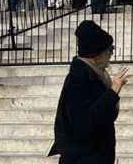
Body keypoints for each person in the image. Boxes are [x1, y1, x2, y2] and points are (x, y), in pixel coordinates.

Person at [49, 21, 127, 164]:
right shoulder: (79, 78)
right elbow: (85, 123)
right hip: (83, 157)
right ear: (97, 54)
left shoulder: (95, 75)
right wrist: (113, 92)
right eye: (110, 49)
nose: (111, 54)